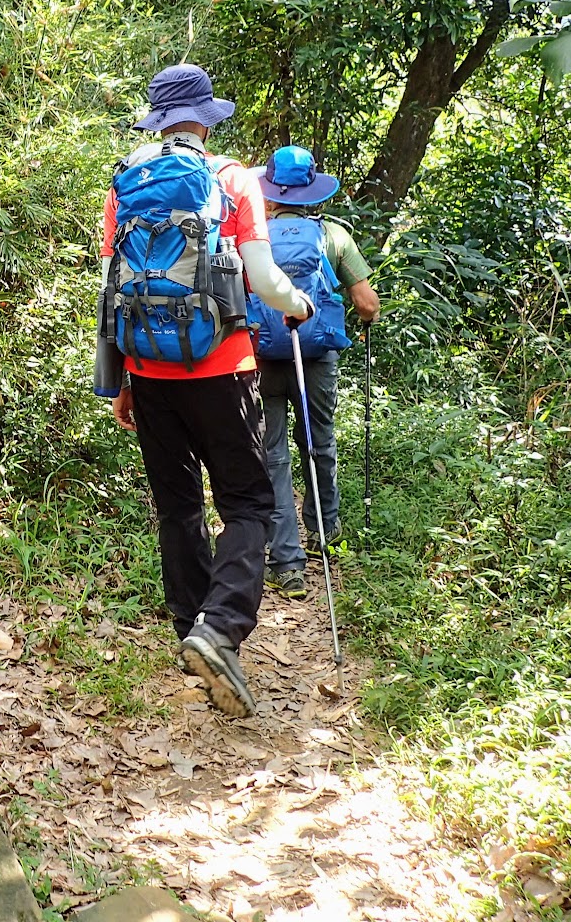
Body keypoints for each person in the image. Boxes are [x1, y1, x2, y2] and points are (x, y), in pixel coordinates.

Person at [97, 64, 314, 719]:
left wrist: (122, 379)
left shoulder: (124, 184)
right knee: (248, 501)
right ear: (205, 120)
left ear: (158, 122)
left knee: (178, 507)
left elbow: (112, 288)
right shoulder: (234, 179)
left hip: (149, 371)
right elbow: (263, 278)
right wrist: (297, 304)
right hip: (224, 366)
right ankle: (218, 630)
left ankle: (192, 627)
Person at [248, 146, 380, 601]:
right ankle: (325, 533)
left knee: (273, 455)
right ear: (312, 193)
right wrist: (365, 318)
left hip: (264, 357)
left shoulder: (254, 236)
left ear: (269, 193)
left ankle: (286, 563)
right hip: (317, 355)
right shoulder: (334, 236)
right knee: (318, 442)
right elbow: (366, 303)